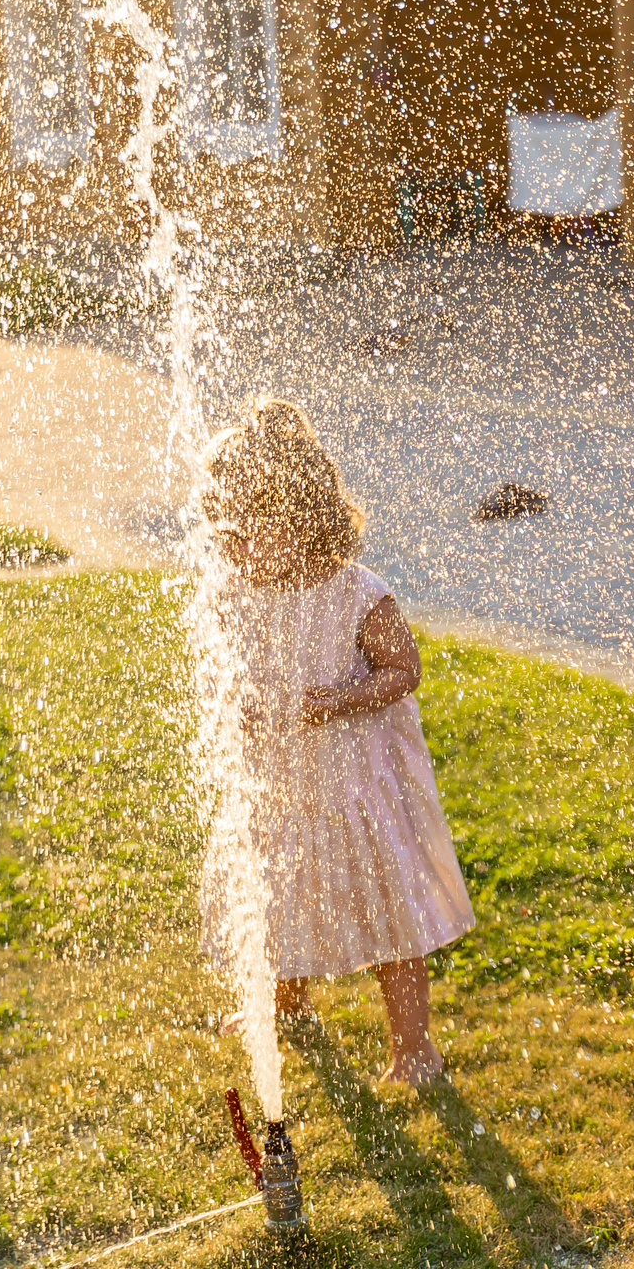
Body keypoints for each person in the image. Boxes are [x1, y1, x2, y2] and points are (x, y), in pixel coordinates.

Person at [198, 398, 473, 1086]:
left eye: (244, 529)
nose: (230, 545)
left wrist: (339, 701)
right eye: (222, 530)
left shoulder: (355, 592)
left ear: (302, 519)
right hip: (278, 785)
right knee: (277, 893)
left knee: (386, 909)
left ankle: (413, 1046)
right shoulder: (235, 590)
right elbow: (222, 671)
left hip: (353, 785)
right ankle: (287, 1002)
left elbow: (404, 669)